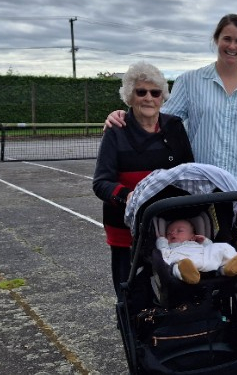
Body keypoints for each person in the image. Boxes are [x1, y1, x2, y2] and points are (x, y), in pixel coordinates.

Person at [104, 14, 237, 196]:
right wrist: (125, 117)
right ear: (216, 40)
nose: (232, 46)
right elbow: (158, 120)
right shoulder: (189, 82)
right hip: (203, 190)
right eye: (227, 39)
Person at [93, 61, 194, 299]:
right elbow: (101, 183)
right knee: (130, 297)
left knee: (172, 297)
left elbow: (189, 173)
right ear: (130, 96)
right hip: (125, 232)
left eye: (155, 93)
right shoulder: (116, 130)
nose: (149, 98)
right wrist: (129, 196)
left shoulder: (174, 126)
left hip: (167, 229)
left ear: (162, 97)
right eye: (141, 92)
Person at [156, 218, 237, 284]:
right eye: (168, 233)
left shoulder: (197, 244)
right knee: (176, 266)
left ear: (192, 236)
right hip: (185, 262)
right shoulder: (170, 247)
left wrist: (205, 241)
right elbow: (163, 254)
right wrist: (161, 241)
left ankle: (230, 266)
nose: (173, 233)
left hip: (205, 259)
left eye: (179, 231)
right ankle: (188, 275)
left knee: (221, 247)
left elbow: (210, 249)